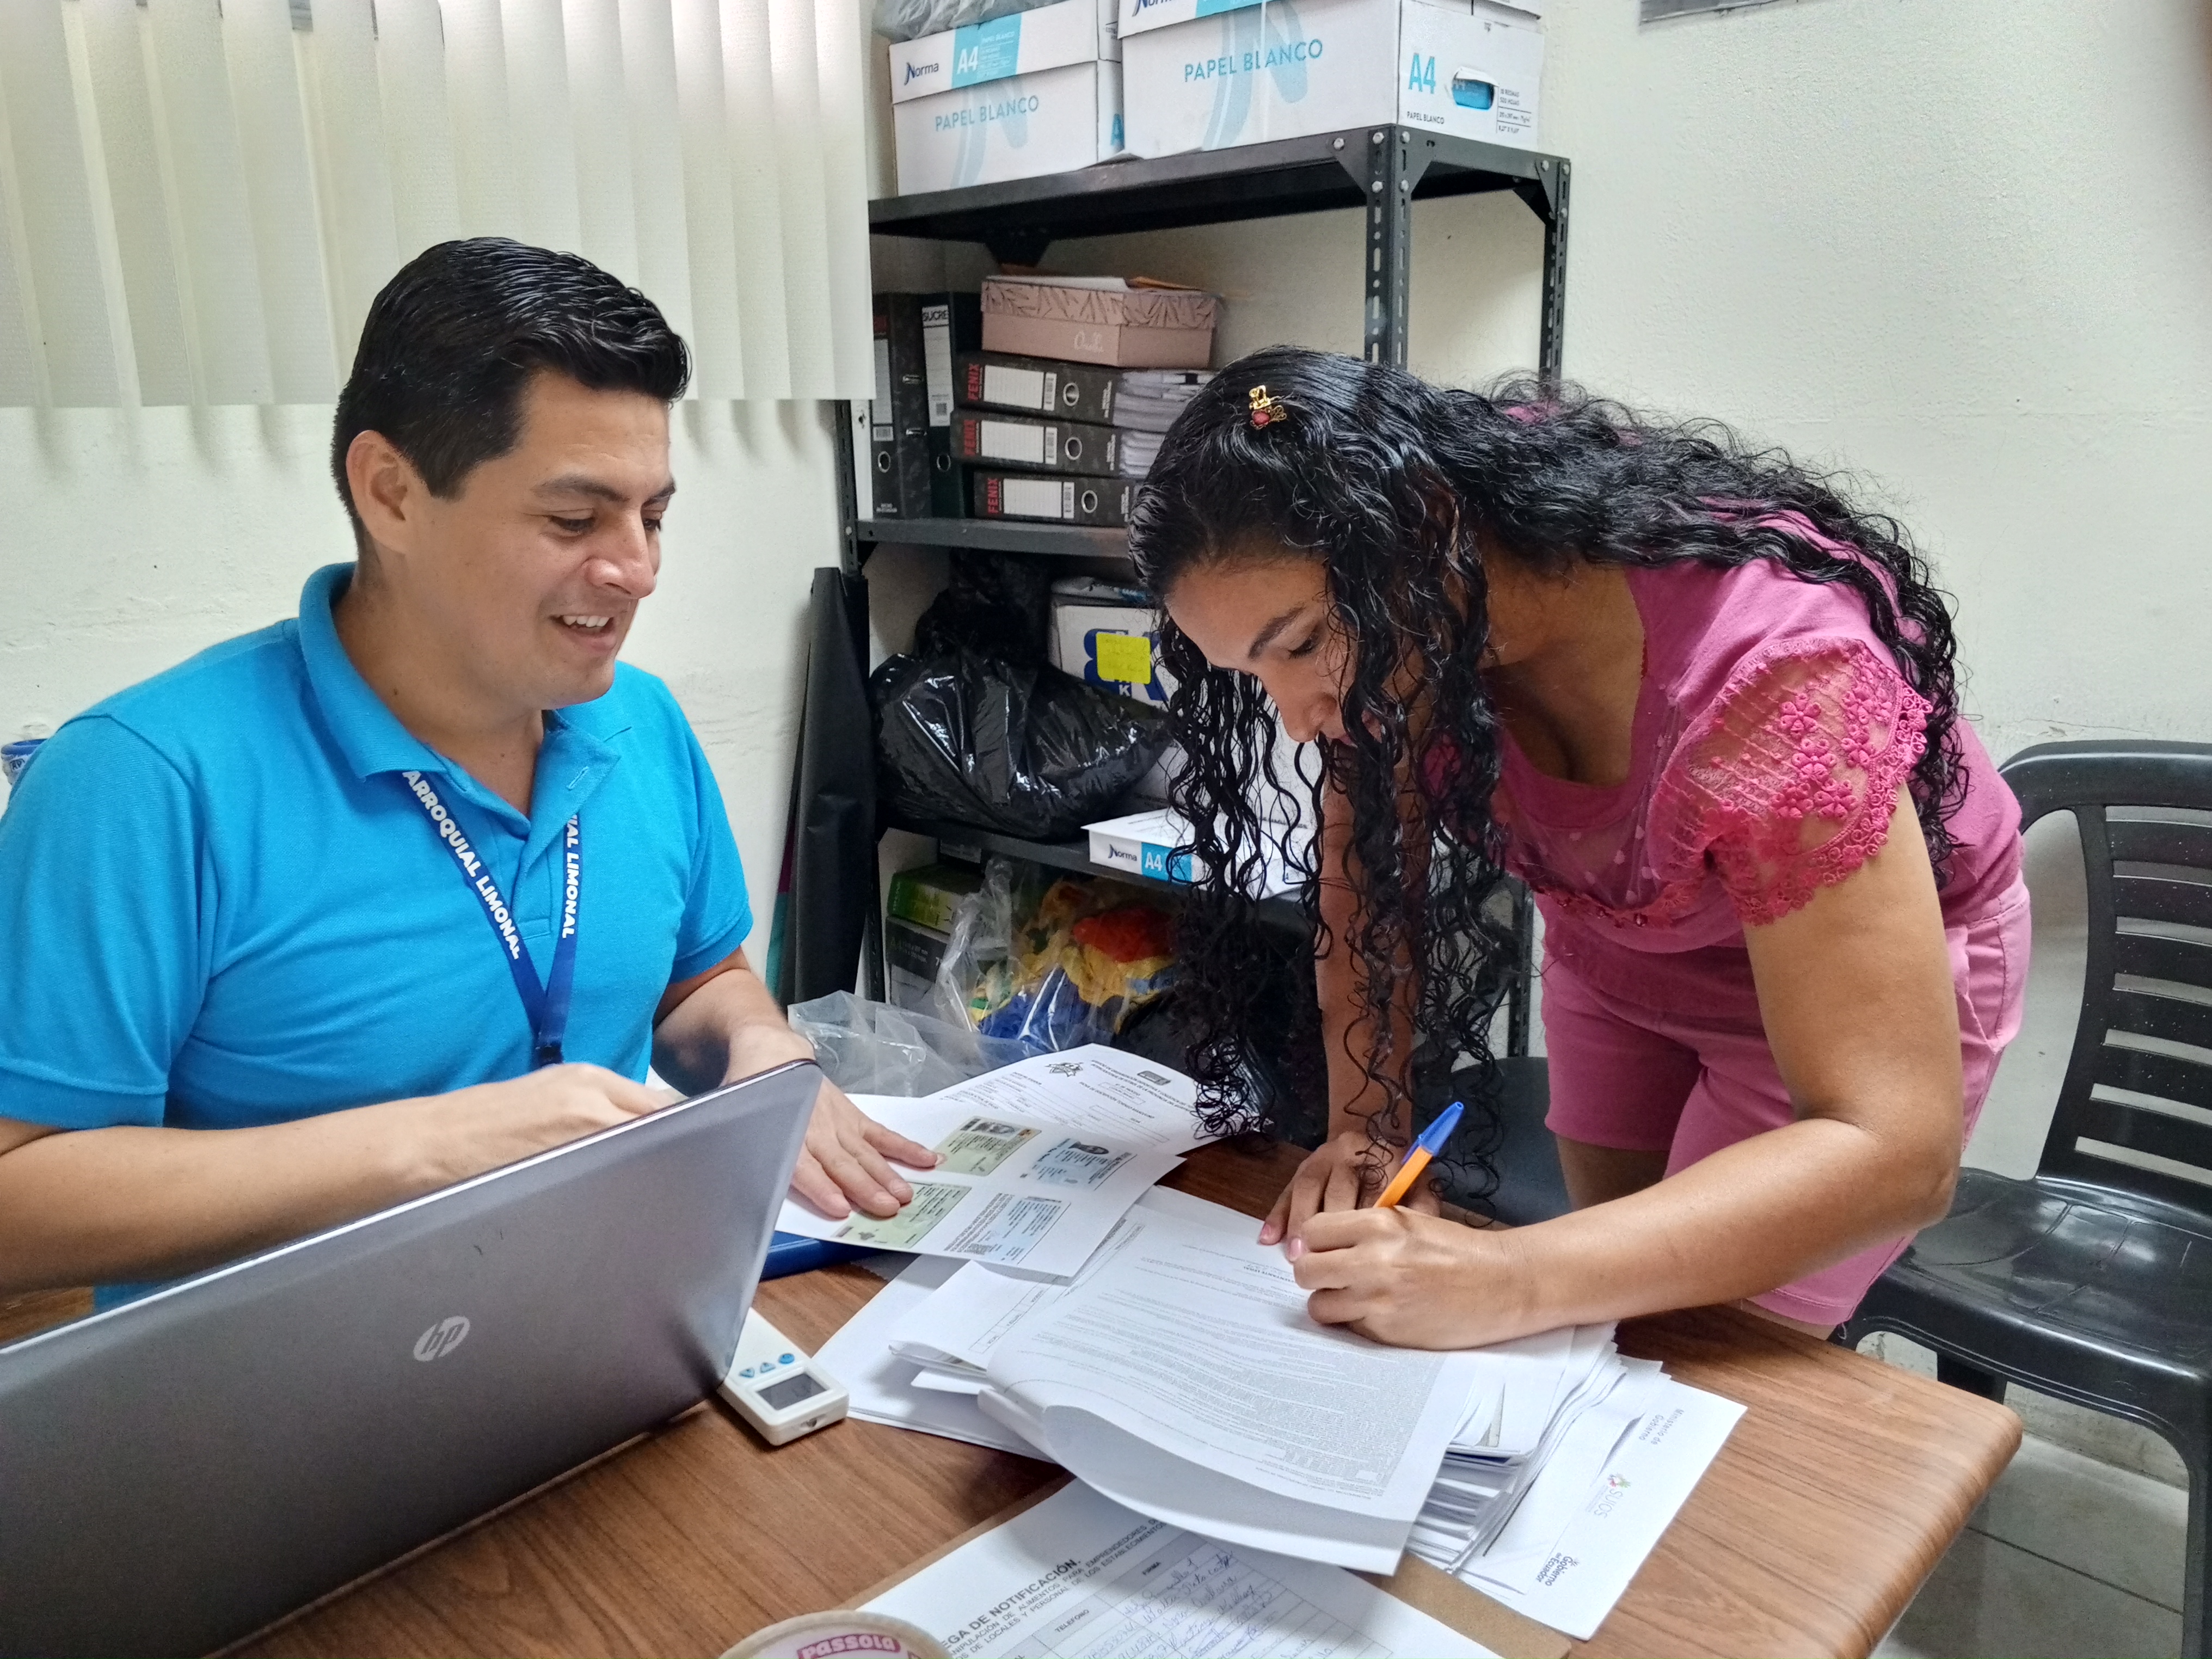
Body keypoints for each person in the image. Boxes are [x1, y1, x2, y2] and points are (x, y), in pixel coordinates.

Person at [0, 238, 930, 1302]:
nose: (637, 570)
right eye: (574, 519)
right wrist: (432, 1146)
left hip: (617, 1321)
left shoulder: (641, 724)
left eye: (654, 516)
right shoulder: (142, 782)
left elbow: (697, 980)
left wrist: (761, 1053)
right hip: (294, 1383)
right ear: (392, 493)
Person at [1130, 348, 2029, 1349]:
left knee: (1705, 1346)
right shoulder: (1403, 614)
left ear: (1424, 525)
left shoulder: (1777, 678)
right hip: (1617, 945)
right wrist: (1365, 1126)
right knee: (1621, 1325)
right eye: (1254, 675)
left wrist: (1511, 1276)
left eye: (1299, 645)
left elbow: (1891, 1148)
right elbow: (1369, 885)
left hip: (1846, 987)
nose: (1297, 720)